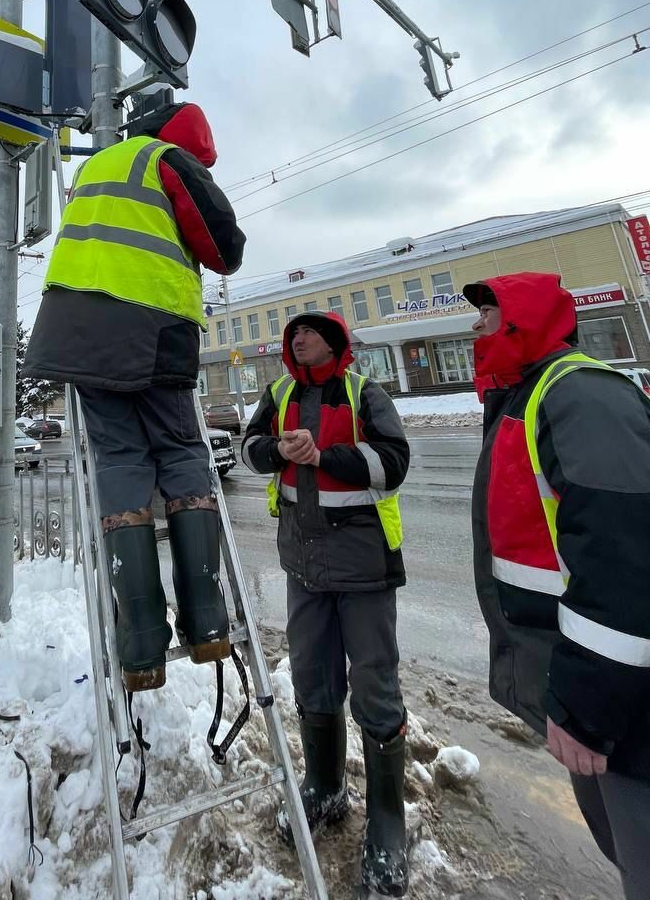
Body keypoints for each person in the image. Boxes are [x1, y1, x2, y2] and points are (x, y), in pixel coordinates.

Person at [22, 101, 245, 692]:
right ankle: (207, 622)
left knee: (119, 461)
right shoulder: (165, 159)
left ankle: (141, 643)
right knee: (180, 452)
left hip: (78, 335)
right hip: (149, 330)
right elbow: (226, 248)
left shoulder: (96, 169)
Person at [465, 272, 650, 900]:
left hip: (626, 710)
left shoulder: (581, 395)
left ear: (522, 320)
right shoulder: (525, 397)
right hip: (590, 696)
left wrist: (587, 707)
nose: (475, 326)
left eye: (487, 314)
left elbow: (623, 553)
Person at [241, 311, 411, 897]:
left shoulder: (367, 393)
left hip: (363, 566)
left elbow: (394, 464)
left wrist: (323, 457)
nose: (297, 340)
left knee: (374, 685)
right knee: (313, 678)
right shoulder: (279, 392)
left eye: (307, 333)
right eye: (292, 334)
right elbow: (249, 451)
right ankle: (325, 787)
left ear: (334, 341)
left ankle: (388, 821)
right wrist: (277, 451)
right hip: (304, 566)